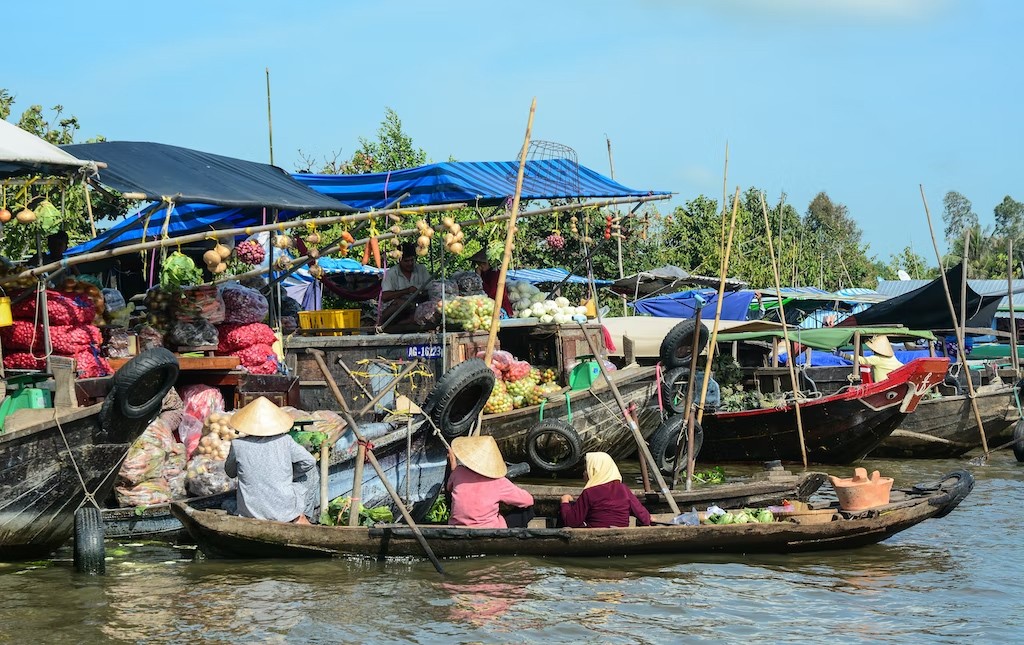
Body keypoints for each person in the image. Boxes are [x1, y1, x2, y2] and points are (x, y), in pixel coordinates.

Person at [224, 396, 319, 524]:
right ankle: (303, 517)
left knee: (226, 503)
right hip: (284, 512)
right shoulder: (285, 440)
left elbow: (230, 473)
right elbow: (310, 462)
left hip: (250, 513)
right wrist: (289, 475)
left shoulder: (238, 444)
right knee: (312, 472)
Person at [447, 435, 534, 528]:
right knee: (528, 510)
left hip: (457, 526)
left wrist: (453, 463)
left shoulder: (458, 472)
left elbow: (450, 487)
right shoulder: (499, 482)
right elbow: (528, 500)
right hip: (490, 529)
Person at [559, 452, 651, 528]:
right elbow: (645, 518)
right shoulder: (623, 489)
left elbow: (571, 522)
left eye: (587, 469)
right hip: (621, 533)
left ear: (595, 470)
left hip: (594, 535)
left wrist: (565, 502)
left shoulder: (589, 492)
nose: (584, 473)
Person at [379, 242, 432, 326]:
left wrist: (420, 293)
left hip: (418, 306)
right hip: (396, 310)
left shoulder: (421, 269)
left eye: (412, 260)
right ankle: (382, 325)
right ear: (399, 260)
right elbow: (385, 296)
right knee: (401, 304)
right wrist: (407, 291)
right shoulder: (391, 273)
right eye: (406, 261)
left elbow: (431, 288)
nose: (410, 263)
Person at [469, 248, 513, 316]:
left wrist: (479, 278)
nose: (481, 266)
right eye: (479, 264)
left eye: (483, 263)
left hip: (500, 308)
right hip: (488, 307)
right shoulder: (483, 273)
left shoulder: (496, 274)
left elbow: (492, 292)